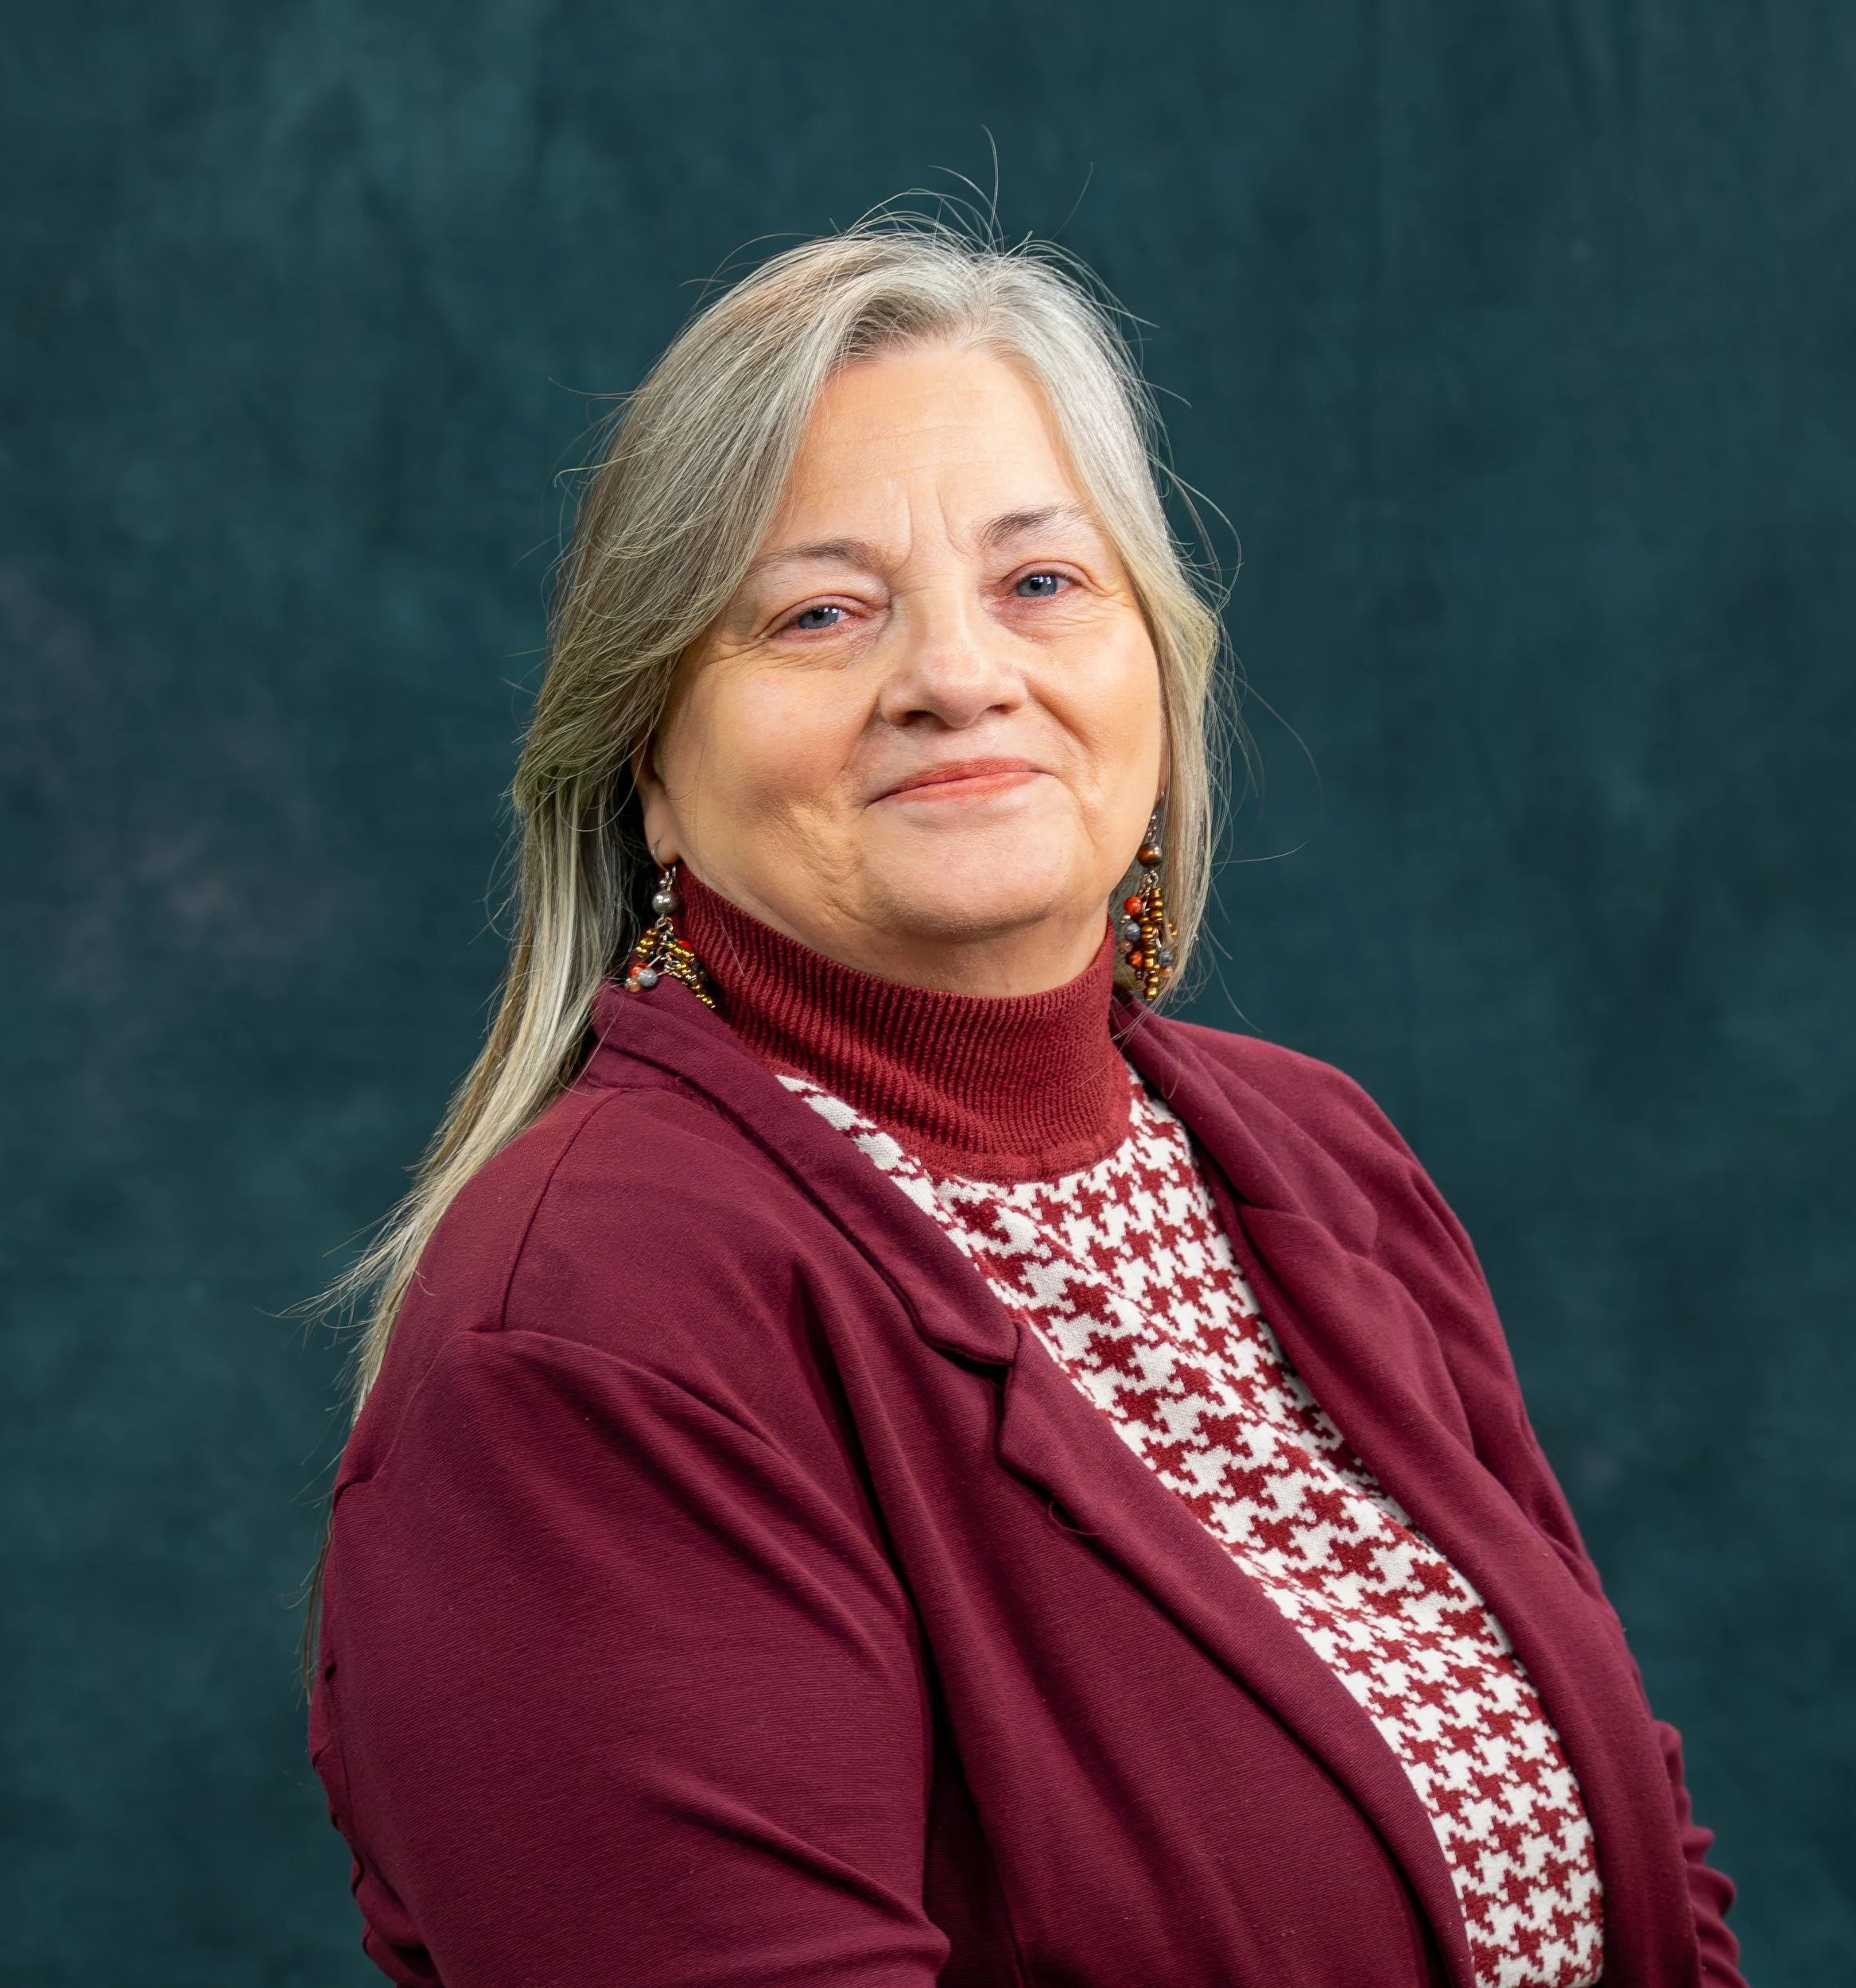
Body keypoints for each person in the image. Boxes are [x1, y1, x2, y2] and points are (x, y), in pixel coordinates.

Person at [307, 217, 1744, 1988]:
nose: (956, 677)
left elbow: (1640, 1871)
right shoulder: (589, 1329)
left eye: (1039, 583)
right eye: (818, 612)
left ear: (1155, 661)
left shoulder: (1315, 1157)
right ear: (648, 771)